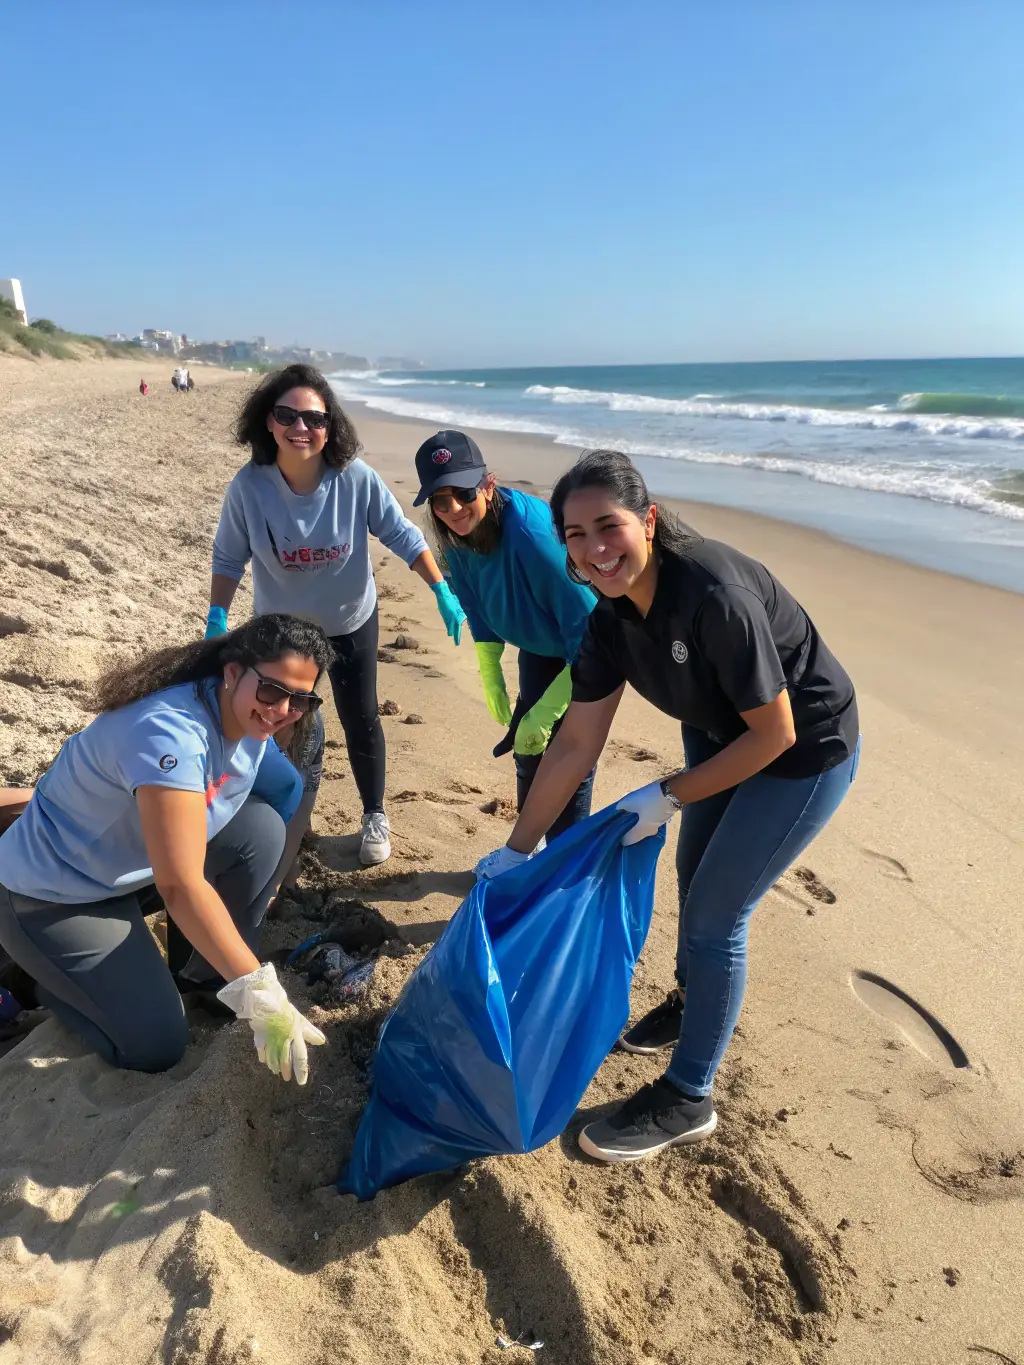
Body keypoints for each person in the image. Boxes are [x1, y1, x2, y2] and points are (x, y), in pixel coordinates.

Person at [476, 451, 859, 1163]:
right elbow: (574, 744)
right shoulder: (610, 621)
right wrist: (517, 848)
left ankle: (689, 1096)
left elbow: (775, 733)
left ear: (647, 520)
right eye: (575, 535)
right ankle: (693, 1003)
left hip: (803, 750)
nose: (594, 549)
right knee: (692, 870)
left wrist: (667, 792)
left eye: (608, 526)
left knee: (718, 915)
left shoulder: (712, 595)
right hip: (721, 731)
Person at [0, 614, 332, 1083]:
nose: (282, 710)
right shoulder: (168, 733)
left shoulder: (250, 720)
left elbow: (285, 793)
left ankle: (200, 975)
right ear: (232, 672)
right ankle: (34, 980)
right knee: (155, 1045)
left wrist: (275, 882)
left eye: (302, 699)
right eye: (272, 690)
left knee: (260, 831)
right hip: (54, 895)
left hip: (127, 871)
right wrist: (260, 991)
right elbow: (179, 883)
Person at [207, 365, 465, 868]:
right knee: (276, 721)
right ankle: (273, 813)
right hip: (284, 633)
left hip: (350, 621)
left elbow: (404, 536)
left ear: (331, 426)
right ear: (268, 422)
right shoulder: (249, 488)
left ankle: (373, 813)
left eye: (314, 418)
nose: (301, 428)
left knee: (360, 716)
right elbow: (226, 557)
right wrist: (217, 613)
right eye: (288, 416)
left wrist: (441, 588)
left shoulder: (355, 479)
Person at [414, 430, 597, 842]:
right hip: (542, 642)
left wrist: (550, 709)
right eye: (440, 501)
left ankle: (563, 869)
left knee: (569, 758)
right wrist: (489, 666)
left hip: (593, 648)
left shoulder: (535, 541)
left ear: (488, 483)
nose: (454, 509)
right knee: (528, 748)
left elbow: (593, 636)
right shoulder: (453, 534)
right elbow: (473, 599)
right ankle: (525, 856)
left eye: (463, 493)